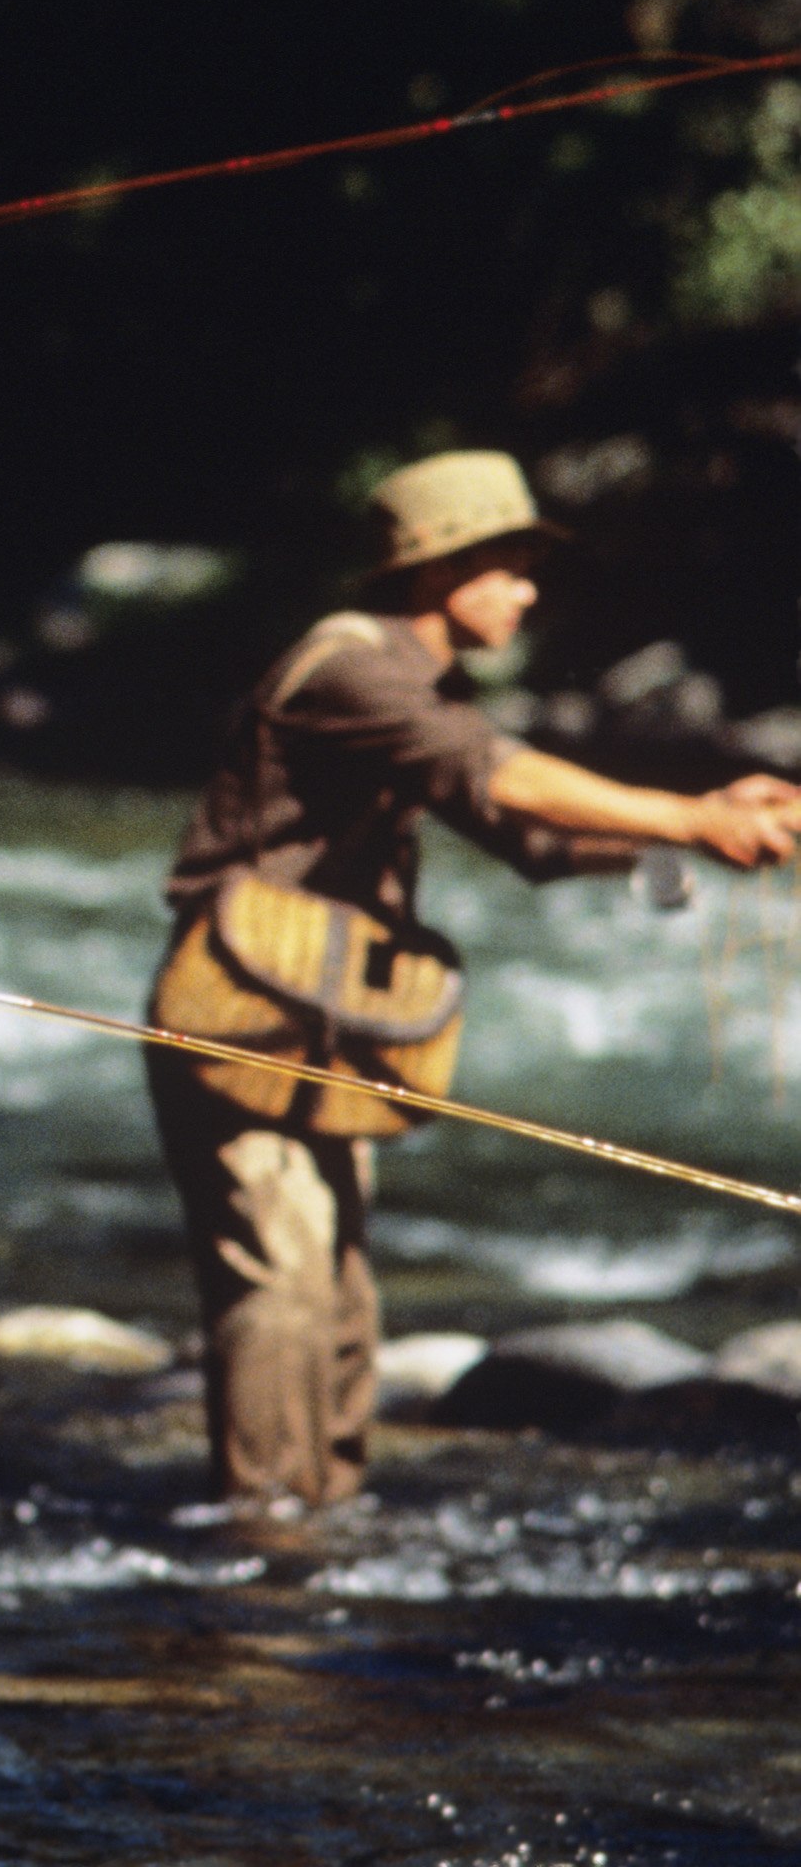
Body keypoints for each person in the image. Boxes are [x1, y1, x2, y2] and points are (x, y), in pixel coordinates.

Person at [143, 449, 799, 1511]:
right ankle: (263, 1540)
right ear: (430, 569)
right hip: (239, 1018)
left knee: (344, 1298)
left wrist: (706, 831)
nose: (527, 590)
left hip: (321, 1021)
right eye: (505, 564)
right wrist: (690, 817)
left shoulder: (417, 687)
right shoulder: (351, 669)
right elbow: (496, 772)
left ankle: (329, 1514)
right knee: (281, 1289)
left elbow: (521, 833)